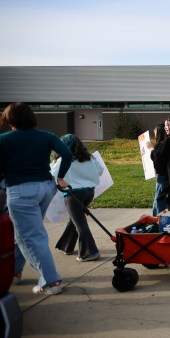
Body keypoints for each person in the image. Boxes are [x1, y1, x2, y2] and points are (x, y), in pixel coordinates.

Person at [0, 102, 72, 295]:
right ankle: (14, 271)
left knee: (30, 237)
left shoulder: (3, 140)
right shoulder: (45, 136)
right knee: (24, 232)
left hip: (20, 192)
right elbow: (66, 153)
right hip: (46, 188)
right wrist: (60, 177)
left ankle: (51, 281)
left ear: (10, 120)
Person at [51, 134, 104, 262]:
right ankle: (66, 246)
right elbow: (100, 171)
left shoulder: (63, 160)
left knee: (79, 223)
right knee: (75, 219)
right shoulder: (89, 158)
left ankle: (89, 252)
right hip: (89, 192)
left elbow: (52, 175)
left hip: (73, 195)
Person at [148, 123, 170, 216]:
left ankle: (160, 219)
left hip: (163, 177)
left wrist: (151, 150)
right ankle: (156, 218)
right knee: (158, 199)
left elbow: (158, 161)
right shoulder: (167, 143)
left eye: (155, 129)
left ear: (159, 132)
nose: (153, 131)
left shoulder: (160, 145)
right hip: (166, 176)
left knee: (159, 200)